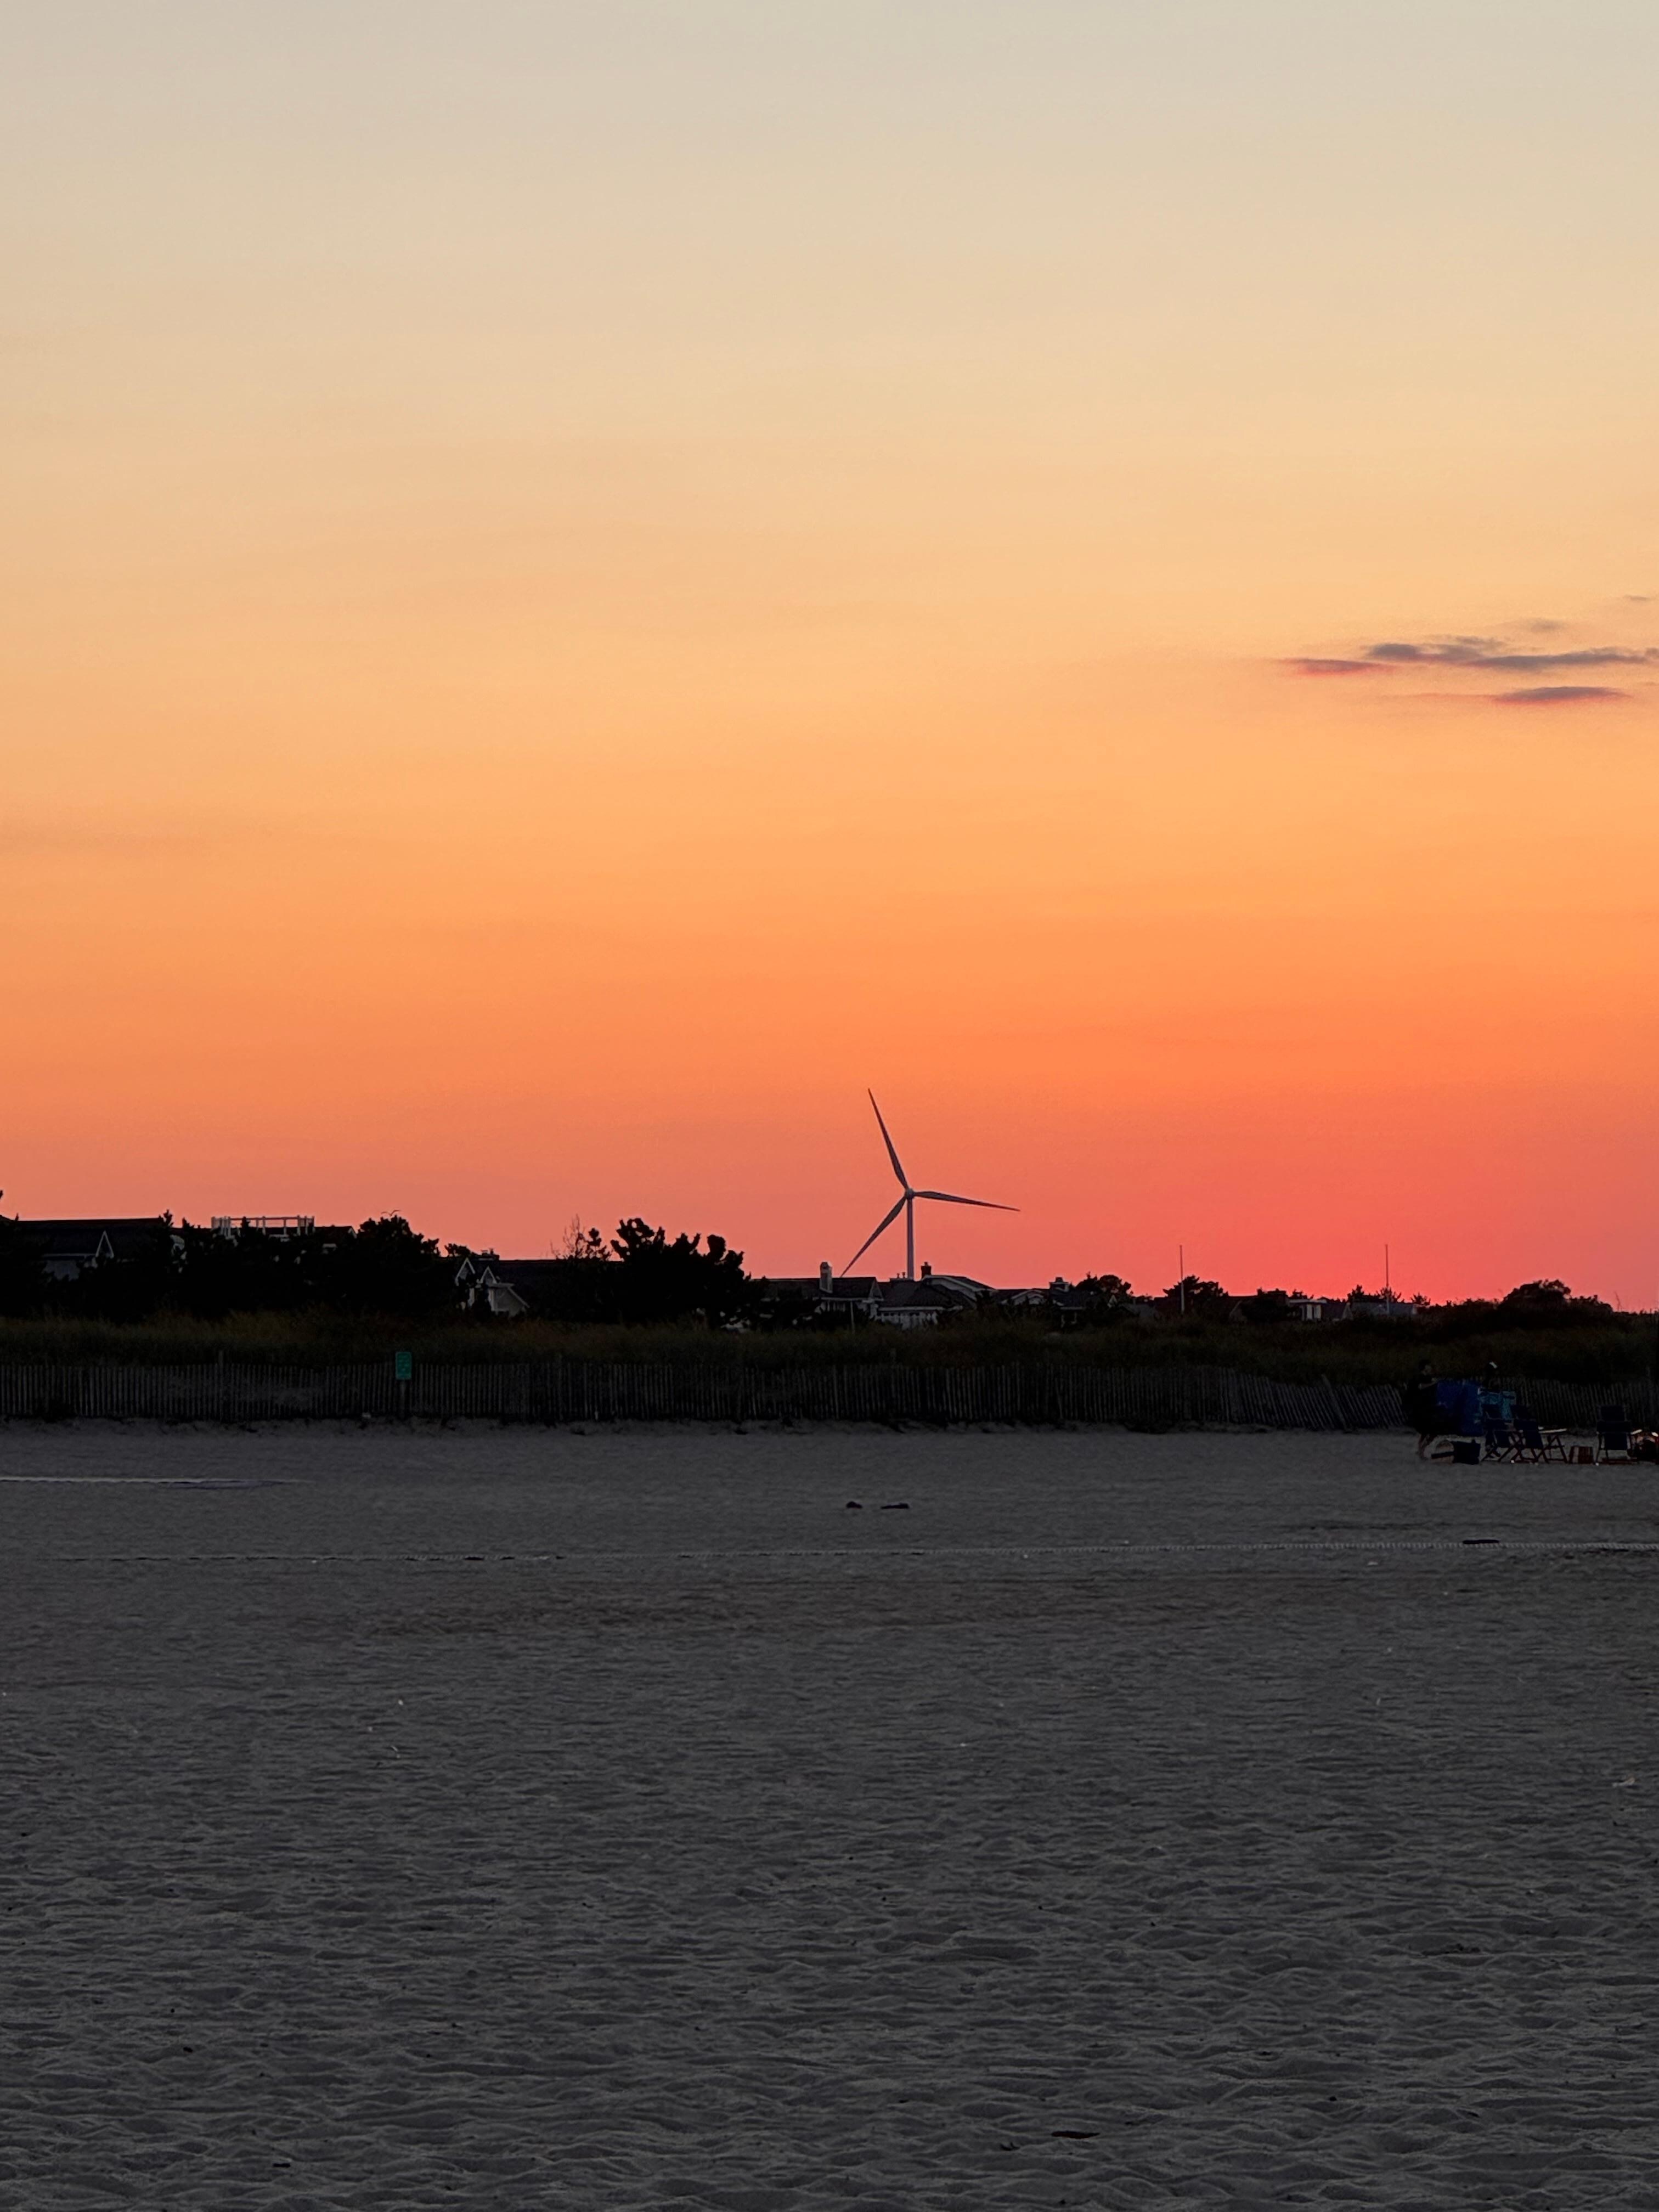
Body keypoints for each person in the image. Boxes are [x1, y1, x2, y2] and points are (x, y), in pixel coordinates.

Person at [1404, 1359, 1442, 1459]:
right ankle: (1421, 1450)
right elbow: (1420, 1387)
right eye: (1429, 1366)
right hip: (1419, 1410)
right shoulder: (1417, 1379)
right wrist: (1433, 1384)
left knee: (1428, 1431)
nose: (1431, 1368)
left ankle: (1421, 1449)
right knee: (1432, 1430)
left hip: (1427, 1409)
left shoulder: (1429, 1378)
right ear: (1425, 1367)